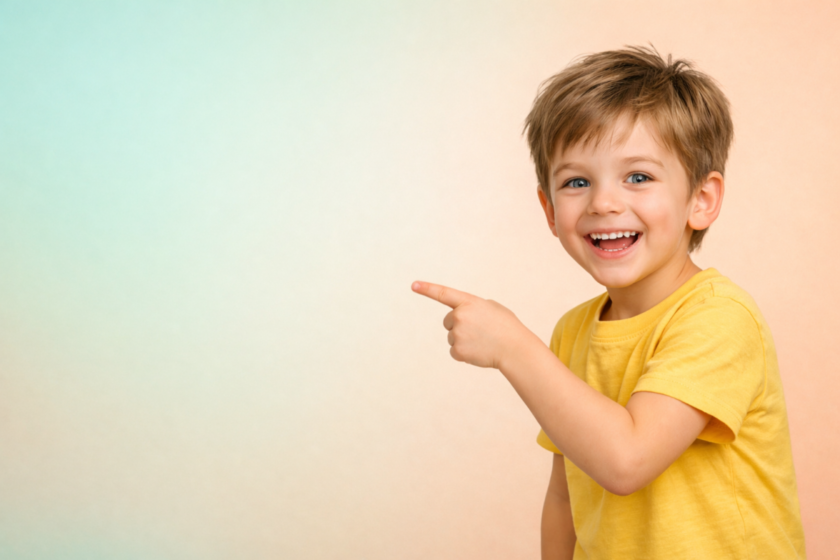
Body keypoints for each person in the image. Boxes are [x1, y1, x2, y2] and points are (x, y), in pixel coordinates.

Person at [411, 45, 806, 559]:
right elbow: (565, 493)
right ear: (549, 210)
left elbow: (626, 460)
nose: (603, 202)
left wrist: (512, 347)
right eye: (577, 182)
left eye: (638, 177)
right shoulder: (573, 331)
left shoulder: (719, 317)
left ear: (700, 200)